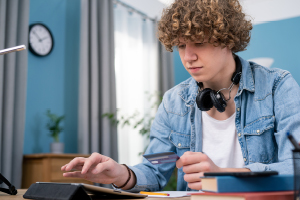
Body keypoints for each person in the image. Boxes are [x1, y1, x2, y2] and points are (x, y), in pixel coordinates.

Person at [61, 0, 300, 192]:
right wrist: (122, 174)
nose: (188, 57)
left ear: (227, 39)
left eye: (198, 42)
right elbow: (155, 169)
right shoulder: (174, 102)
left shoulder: (278, 86)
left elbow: (296, 168)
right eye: (181, 45)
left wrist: (227, 177)